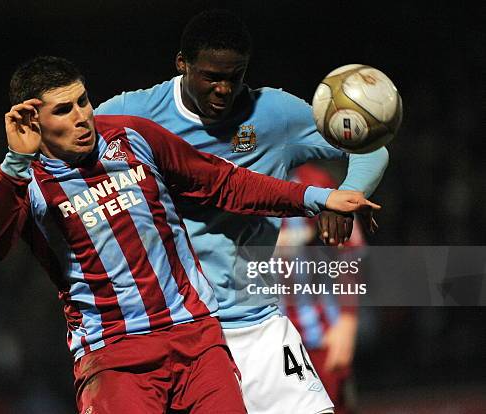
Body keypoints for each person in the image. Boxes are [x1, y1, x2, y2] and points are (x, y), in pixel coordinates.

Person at [0, 56, 379, 414]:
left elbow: (225, 181)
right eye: (64, 110)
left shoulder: (132, 136)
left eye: (83, 101)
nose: (82, 118)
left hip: (196, 341)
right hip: (113, 356)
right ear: (30, 120)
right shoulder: (24, 183)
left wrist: (315, 197)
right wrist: (12, 167)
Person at [93, 9, 388, 414]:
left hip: (258, 319)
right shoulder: (136, 114)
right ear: (182, 64)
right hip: (181, 332)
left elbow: (370, 145)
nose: (223, 89)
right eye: (211, 77)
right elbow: (62, 143)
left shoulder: (275, 115)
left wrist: (347, 196)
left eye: (235, 76)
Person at [277, 163, 364, 414]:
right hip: (260, 342)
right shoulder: (230, 181)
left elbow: (350, 256)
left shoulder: (316, 182)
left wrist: (347, 322)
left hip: (319, 338)